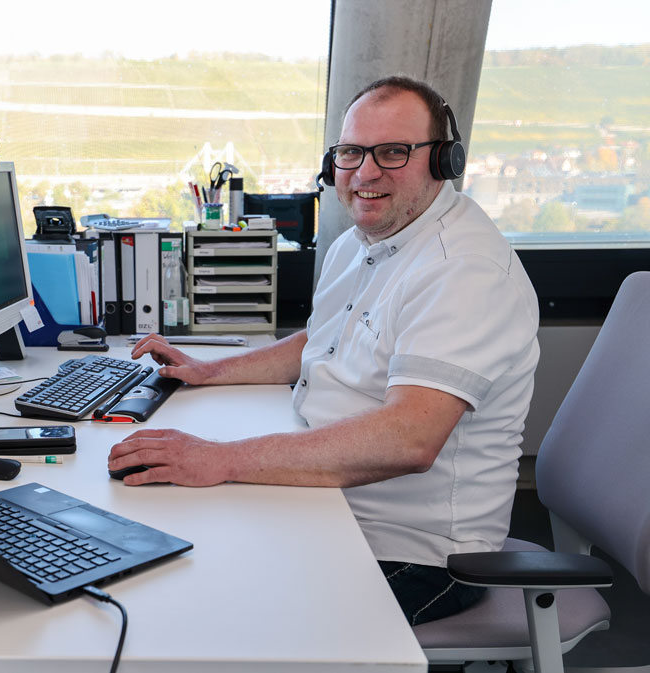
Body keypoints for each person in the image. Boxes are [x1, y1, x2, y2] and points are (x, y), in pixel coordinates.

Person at [108, 75, 540, 626]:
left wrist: (220, 458)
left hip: (414, 552)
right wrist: (208, 370)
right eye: (351, 153)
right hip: (330, 505)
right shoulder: (362, 243)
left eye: (393, 152)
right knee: (170, 553)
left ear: (444, 160)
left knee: (213, 616)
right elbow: (320, 342)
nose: (365, 173)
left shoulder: (463, 270)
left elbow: (409, 439)